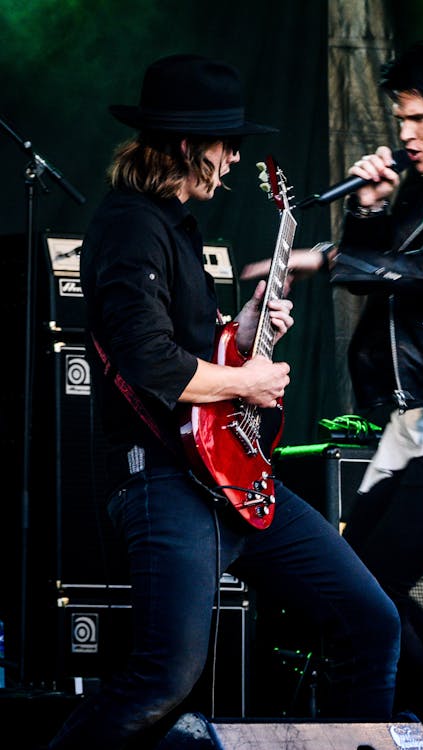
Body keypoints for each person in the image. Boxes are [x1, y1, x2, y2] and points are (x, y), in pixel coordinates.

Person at [47, 54, 401, 749]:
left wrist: (242, 334)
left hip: (229, 477)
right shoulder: (128, 227)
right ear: (187, 146)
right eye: (225, 143)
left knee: (371, 620)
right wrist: (247, 382)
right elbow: (150, 361)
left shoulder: (174, 226)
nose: (234, 157)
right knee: (161, 679)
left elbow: (188, 341)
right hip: (164, 481)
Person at [242, 39, 423, 748]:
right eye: (399, 119)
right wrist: (372, 210)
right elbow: (395, 266)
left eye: (418, 119)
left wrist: (330, 258)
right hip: (415, 413)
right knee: (360, 587)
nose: (404, 135)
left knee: (368, 585)